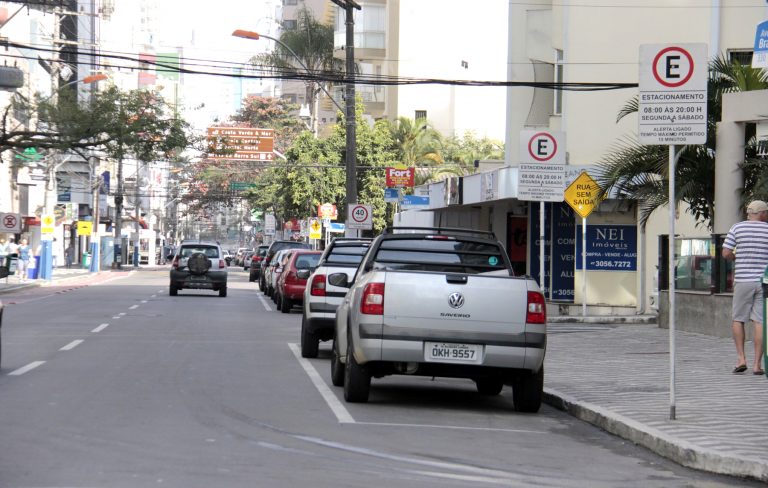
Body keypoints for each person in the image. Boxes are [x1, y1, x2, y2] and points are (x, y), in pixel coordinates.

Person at [722, 200, 768, 375]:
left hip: (743, 280)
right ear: (762, 213)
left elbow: (726, 252)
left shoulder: (737, 228)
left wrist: (736, 258)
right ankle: (757, 364)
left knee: (738, 318)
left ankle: (741, 359)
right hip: (764, 281)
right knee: (760, 321)